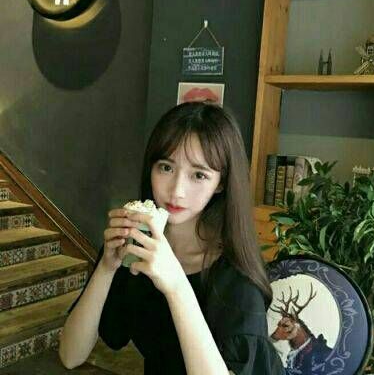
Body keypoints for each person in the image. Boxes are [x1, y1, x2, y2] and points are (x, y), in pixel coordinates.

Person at [58, 101, 284, 374]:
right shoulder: (137, 248)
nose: (177, 191)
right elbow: (70, 355)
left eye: (198, 175)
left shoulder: (236, 276)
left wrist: (176, 285)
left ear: (221, 183)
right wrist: (106, 267)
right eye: (166, 167)